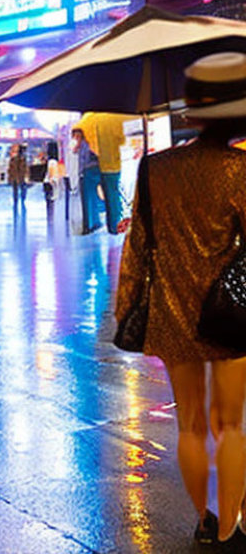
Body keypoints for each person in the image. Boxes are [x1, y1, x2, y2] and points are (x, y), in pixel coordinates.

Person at [116, 52, 246, 548]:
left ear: (190, 112)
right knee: (230, 422)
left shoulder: (155, 169)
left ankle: (205, 519)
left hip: (172, 311)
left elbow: (138, 248)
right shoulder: (240, 169)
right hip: (231, 313)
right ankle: (233, 525)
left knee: (190, 424)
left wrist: (127, 306)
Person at [77, 112, 126, 233]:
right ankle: (115, 226)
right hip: (112, 162)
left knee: (91, 196)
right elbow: (122, 140)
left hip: (93, 164)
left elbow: (81, 143)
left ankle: (91, 224)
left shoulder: (87, 120)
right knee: (112, 195)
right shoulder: (114, 118)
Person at [74, 128, 102, 233]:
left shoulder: (85, 146)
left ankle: (89, 225)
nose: (76, 138)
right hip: (90, 172)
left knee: (87, 199)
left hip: (88, 173)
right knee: (92, 199)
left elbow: (85, 161)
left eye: (78, 136)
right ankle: (94, 223)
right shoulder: (85, 145)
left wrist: (81, 172)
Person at [7, 143, 27, 213]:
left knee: (20, 188)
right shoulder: (17, 159)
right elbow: (10, 169)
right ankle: (19, 199)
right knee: (18, 188)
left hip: (19, 176)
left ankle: (20, 199)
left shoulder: (22, 159)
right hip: (17, 176)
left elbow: (11, 169)